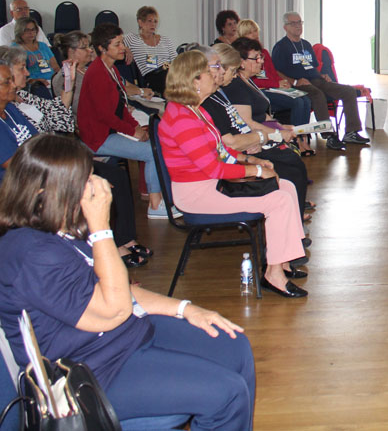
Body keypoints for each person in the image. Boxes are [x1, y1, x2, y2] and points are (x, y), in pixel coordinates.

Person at [0, 134, 255, 428]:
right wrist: (100, 228)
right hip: (91, 371)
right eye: (86, 179)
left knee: (233, 346)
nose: (100, 186)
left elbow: (120, 290)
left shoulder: (60, 227)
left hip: (126, 336)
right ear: (51, 190)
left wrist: (186, 308)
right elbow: (114, 308)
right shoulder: (30, 253)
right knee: (227, 395)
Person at [158, 50, 308, 298]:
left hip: (212, 185)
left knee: (288, 187)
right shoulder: (182, 118)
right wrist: (257, 170)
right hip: (198, 193)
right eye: (209, 72)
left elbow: (221, 148)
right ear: (194, 80)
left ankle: (282, 261)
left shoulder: (195, 110)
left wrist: (251, 158)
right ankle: (274, 274)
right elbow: (213, 167)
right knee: (279, 200)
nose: (215, 75)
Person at [0, 50, 151, 268]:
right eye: (7, 82)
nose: (13, 85)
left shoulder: (11, 110)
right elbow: (16, 164)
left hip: (41, 167)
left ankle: (123, 239)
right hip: (22, 182)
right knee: (89, 185)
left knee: (113, 175)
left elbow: (38, 140)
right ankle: (100, 255)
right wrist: (64, 170)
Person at [203, 43, 314, 225]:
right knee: (290, 164)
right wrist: (262, 139)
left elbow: (238, 128)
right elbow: (230, 140)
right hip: (240, 152)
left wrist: (268, 134)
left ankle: (293, 217)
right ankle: (292, 218)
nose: (229, 73)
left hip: (247, 144)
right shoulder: (218, 96)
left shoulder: (218, 94)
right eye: (229, 69)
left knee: (291, 161)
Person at [77, 23, 165, 219]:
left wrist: (135, 126)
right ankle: (155, 205)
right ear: (102, 48)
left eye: (122, 43)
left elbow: (121, 106)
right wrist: (132, 131)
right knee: (152, 152)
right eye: (117, 44)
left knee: (154, 143)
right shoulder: (97, 73)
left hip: (109, 131)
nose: (123, 48)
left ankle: (158, 199)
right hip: (97, 138)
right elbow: (104, 115)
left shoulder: (111, 70)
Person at [271, 11, 369, 150]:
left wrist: (322, 75)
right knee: (317, 94)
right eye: (293, 23)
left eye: (299, 22)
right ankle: (329, 134)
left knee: (348, 91)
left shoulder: (306, 44)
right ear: (285, 27)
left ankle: (351, 132)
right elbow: (276, 71)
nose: (298, 26)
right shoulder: (281, 47)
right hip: (298, 85)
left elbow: (311, 66)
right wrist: (294, 81)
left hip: (316, 80)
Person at [237, 19, 315, 155]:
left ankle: (303, 137)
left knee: (304, 98)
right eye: (250, 32)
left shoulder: (264, 53)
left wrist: (282, 82)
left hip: (274, 88)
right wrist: (275, 84)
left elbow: (273, 74)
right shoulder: (244, 58)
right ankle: (294, 141)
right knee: (297, 102)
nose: (254, 34)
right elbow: (255, 82)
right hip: (263, 91)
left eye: (255, 31)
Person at [0, 46, 74, 133]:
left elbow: (59, 112)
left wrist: (69, 80)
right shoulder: (5, 108)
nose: (27, 73)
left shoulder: (23, 96)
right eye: (21, 68)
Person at [124, 6, 176, 95]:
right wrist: (125, 48)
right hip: (151, 77)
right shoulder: (132, 38)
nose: (153, 24)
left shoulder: (165, 40)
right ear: (140, 22)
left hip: (169, 71)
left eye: (155, 21)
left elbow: (176, 60)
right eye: (150, 21)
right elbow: (114, 41)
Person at [51, 30, 93, 113]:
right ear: (71, 51)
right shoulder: (63, 77)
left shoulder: (89, 70)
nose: (90, 50)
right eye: (84, 48)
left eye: (89, 47)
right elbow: (77, 107)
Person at [12, 17, 57, 90]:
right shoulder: (15, 48)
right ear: (20, 31)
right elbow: (17, 74)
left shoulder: (43, 45)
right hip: (34, 84)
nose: (31, 33)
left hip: (52, 81)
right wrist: (34, 81)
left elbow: (55, 67)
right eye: (27, 30)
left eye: (33, 29)